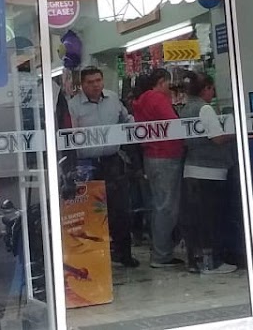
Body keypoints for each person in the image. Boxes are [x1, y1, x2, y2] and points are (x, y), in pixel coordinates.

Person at [67, 67, 139, 267]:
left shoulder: (113, 99)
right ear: (82, 85)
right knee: (91, 211)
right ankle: (94, 258)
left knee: (120, 209)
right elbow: (69, 134)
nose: (95, 85)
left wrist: (133, 129)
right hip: (87, 164)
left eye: (98, 80)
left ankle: (123, 253)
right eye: (90, 82)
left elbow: (126, 119)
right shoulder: (73, 106)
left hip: (112, 161)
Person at [179, 73, 237, 275]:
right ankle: (212, 262)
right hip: (210, 172)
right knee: (212, 220)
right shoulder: (205, 108)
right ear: (206, 89)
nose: (213, 93)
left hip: (191, 169)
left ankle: (196, 261)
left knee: (197, 219)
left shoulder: (186, 109)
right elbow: (217, 138)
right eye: (212, 89)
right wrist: (236, 132)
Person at [132, 69, 185, 268]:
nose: (170, 89)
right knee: (166, 207)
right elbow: (174, 124)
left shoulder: (141, 100)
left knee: (158, 205)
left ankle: (160, 250)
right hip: (166, 155)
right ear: (161, 82)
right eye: (168, 84)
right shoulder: (157, 98)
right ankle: (161, 255)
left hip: (151, 156)